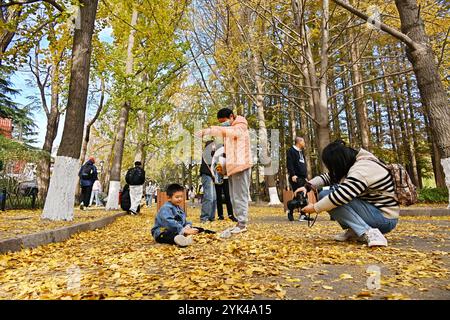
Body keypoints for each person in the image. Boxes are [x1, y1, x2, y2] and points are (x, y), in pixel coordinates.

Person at [296, 140, 399, 247]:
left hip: (385, 219)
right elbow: (329, 177)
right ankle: (356, 230)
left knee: (328, 196)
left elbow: (341, 197)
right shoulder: (358, 162)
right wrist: (306, 187)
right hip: (375, 212)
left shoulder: (361, 169)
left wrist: (314, 208)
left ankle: (369, 232)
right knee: (327, 195)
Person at [196, 108, 252, 235]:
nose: (223, 125)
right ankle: (239, 223)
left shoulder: (240, 126)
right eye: (220, 123)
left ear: (232, 116)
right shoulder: (231, 130)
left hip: (241, 166)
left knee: (239, 195)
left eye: (224, 122)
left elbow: (232, 132)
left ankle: (242, 223)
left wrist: (209, 130)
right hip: (233, 167)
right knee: (233, 197)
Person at [286, 137, 312, 222]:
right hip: (296, 177)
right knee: (300, 196)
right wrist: (293, 175)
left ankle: (301, 214)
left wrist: (305, 177)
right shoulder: (291, 151)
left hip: (302, 177)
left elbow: (302, 166)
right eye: (303, 141)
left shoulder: (301, 152)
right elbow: (289, 164)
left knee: (302, 196)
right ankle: (291, 210)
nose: (304, 143)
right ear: (299, 142)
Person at [212, 142, 237, 222]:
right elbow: (213, 165)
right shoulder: (217, 154)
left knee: (228, 196)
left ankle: (231, 215)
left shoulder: (230, 154)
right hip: (217, 177)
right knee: (218, 197)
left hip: (226, 177)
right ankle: (220, 215)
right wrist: (216, 174)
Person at [200, 140, 217, 222]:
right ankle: (204, 218)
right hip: (207, 176)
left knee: (214, 198)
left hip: (212, 177)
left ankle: (211, 217)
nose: (215, 146)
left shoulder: (212, 154)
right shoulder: (207, 152)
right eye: (213, 145)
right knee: (209, 197)